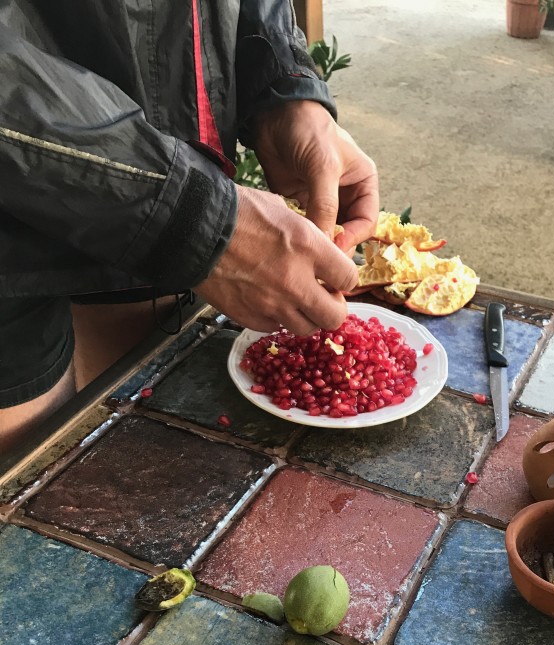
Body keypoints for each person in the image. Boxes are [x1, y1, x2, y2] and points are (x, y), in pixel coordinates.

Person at [0, 1, 379, 454]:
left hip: (156, 183)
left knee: (146, 467)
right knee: (39, 494)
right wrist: (192, 216)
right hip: (14, 243)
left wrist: (281, 84)